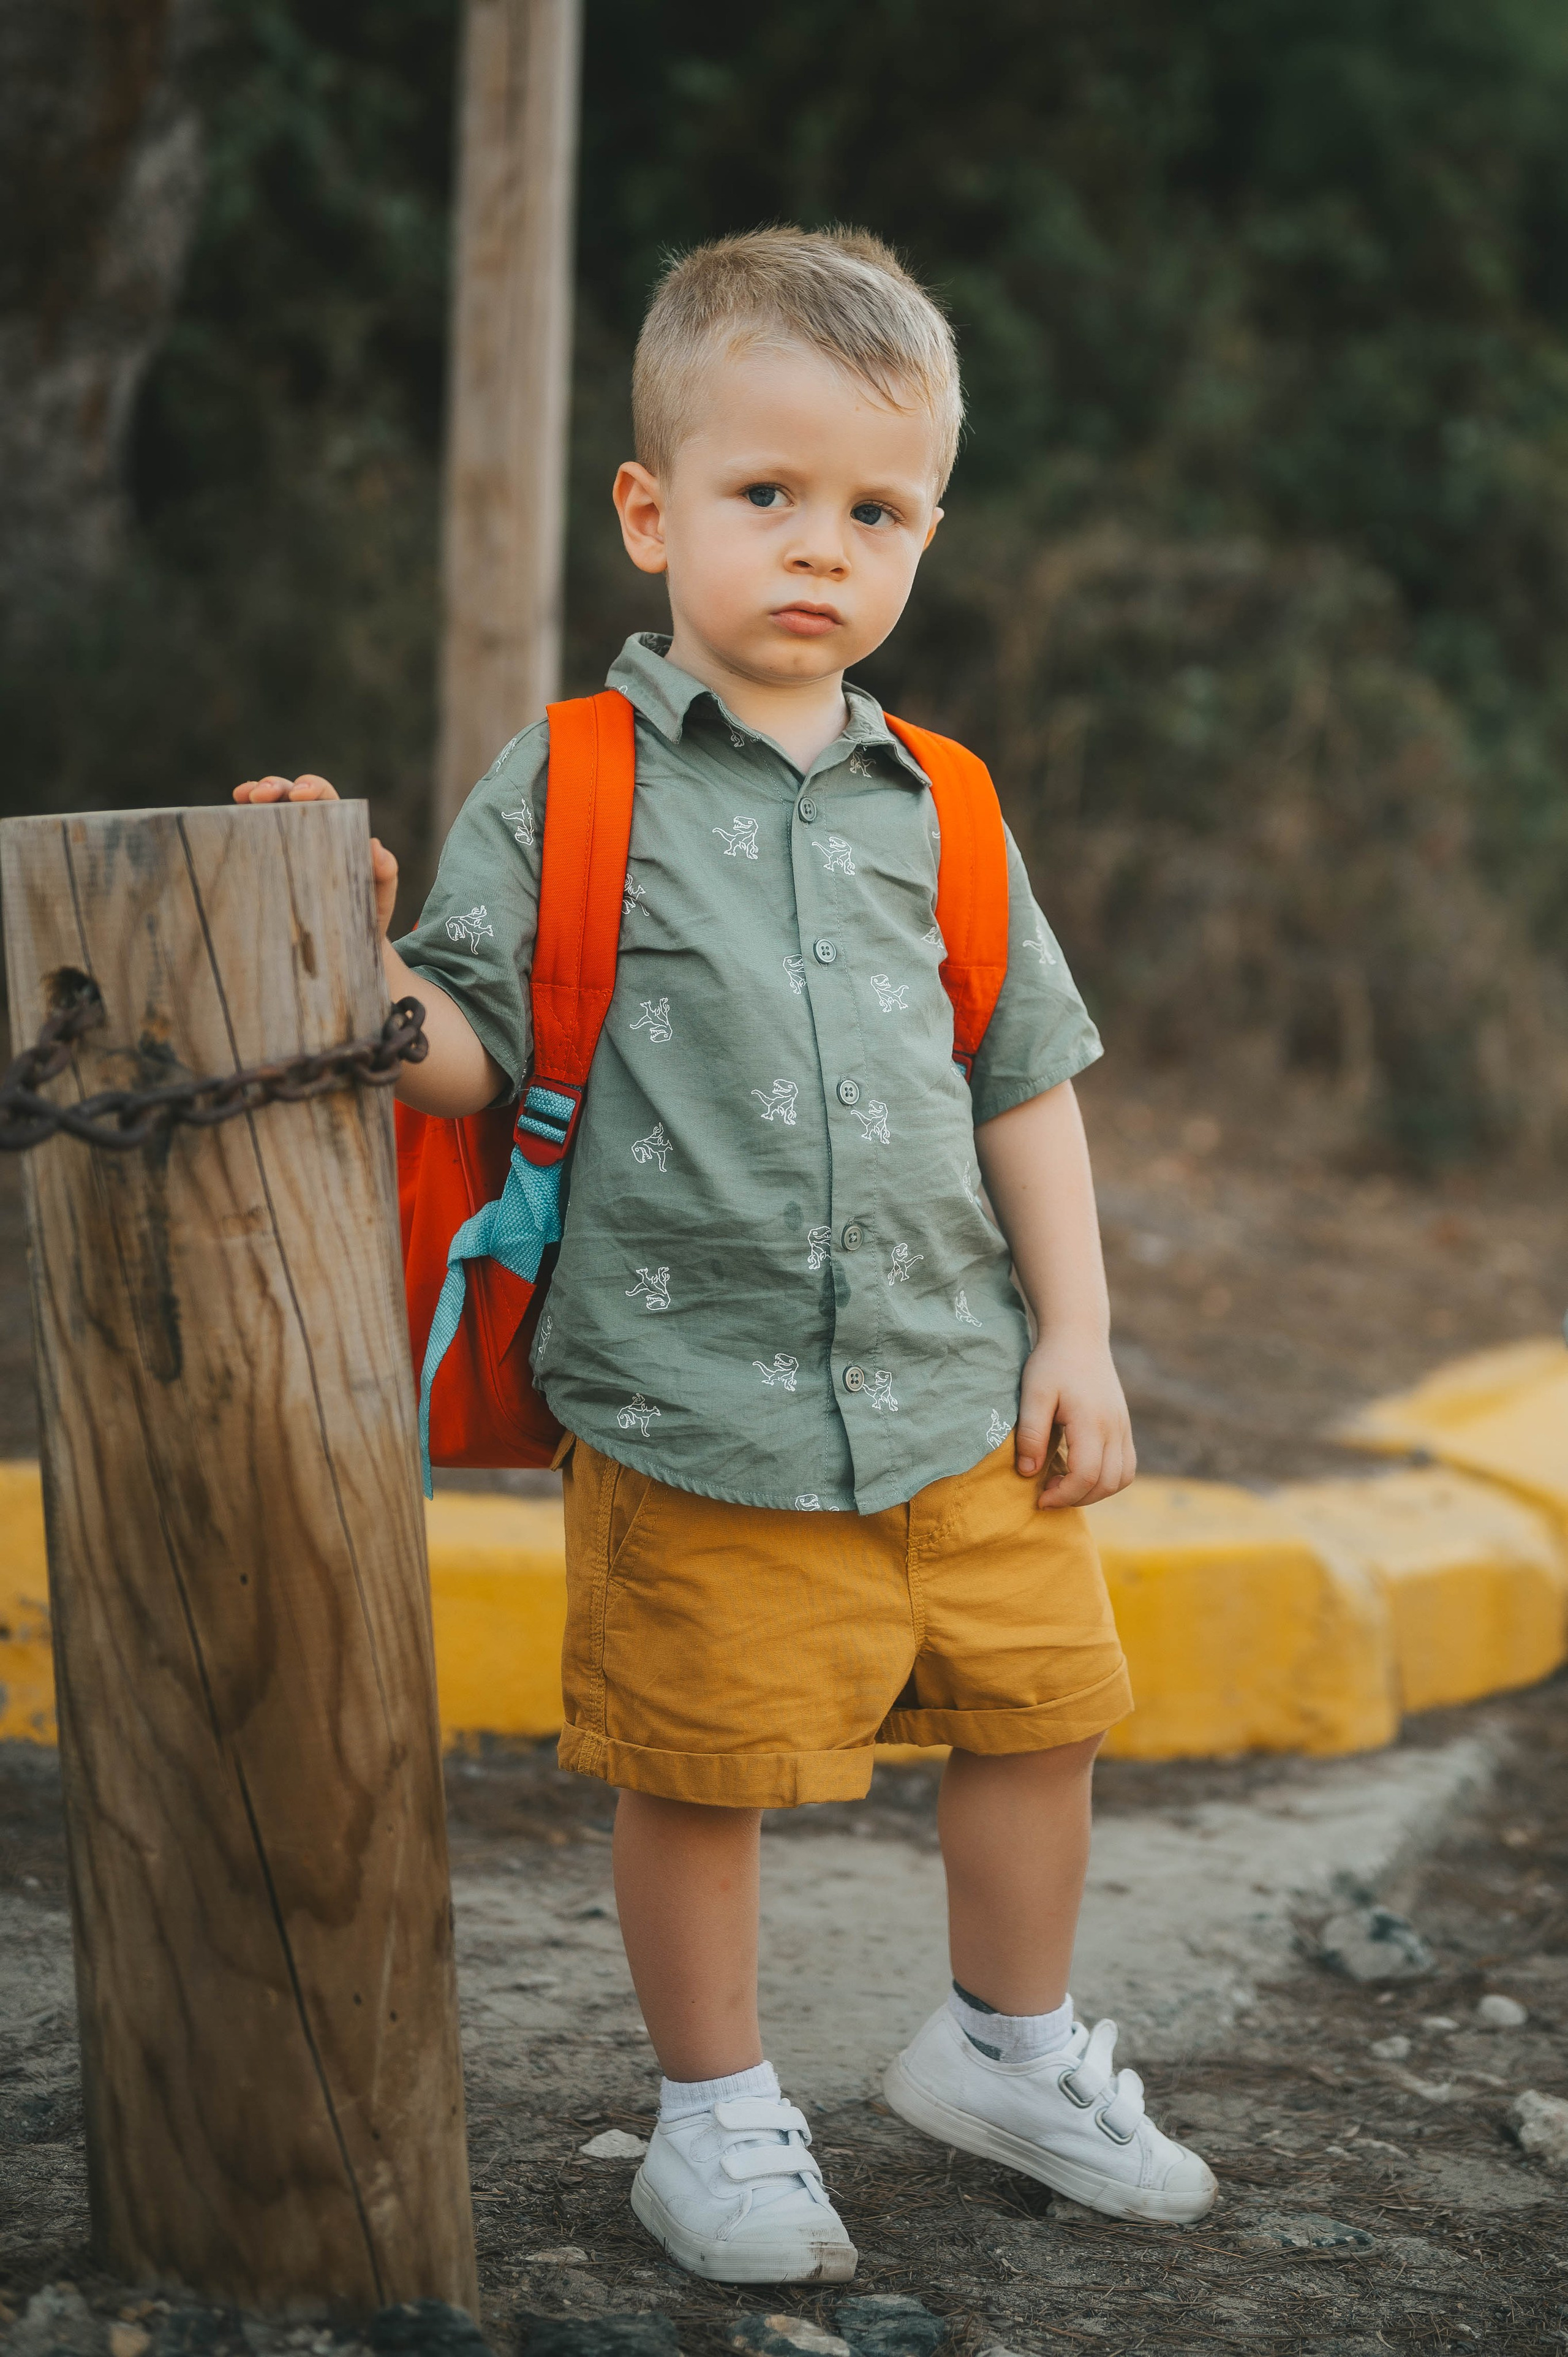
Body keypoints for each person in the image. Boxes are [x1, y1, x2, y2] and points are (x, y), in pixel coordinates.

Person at [236, 227, 1215, 2284]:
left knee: (1042, 1710)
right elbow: (472, 1041)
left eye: (878, 511)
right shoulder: (574, 781)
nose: (821, 548)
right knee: (699, 1765)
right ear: (650, 509)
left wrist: (1081, 1335)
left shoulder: (947, 804)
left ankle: (1007, 2047)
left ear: (926, 532)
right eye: (769, 492)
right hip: (693, 1395)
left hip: (959, 1383)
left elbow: (1024, 1079)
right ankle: (716, 2112)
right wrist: (334, 947)